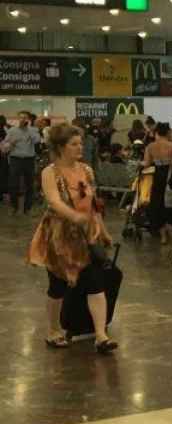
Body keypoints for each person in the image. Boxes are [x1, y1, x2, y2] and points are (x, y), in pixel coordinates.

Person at [27, 123, 117, 353]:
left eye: (81, 143)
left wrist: (103, 231)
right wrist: (75, 217)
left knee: (96, 283)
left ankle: (100, 336)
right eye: (74, 144)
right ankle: (54, 330)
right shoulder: (50, 172)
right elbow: (54, 201)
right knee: (58, 287)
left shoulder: (86, 170)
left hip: (87, 234)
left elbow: (94, 205)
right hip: (59, 236)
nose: (80, 147)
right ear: (59, 147)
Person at [142, 123, 172, 245]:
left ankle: (163, 237)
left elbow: (146, 164)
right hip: (170, 175)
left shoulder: (150, 146)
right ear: (167, 132)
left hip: (157, 175)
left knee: (158, 203)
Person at [3, 111, 41, 215]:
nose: (22, 119)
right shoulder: (12, 131)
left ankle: (27, 209)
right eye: (20, 118)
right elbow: (4, 147)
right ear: (17, 119)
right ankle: (14, 207)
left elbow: (37, 141)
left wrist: (29, 131)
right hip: (16, 159)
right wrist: (11, 143)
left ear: (28, 119)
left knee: (30, 185)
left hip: (29, 159)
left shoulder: (33, 130)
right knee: (13, 185)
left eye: (25, 118)